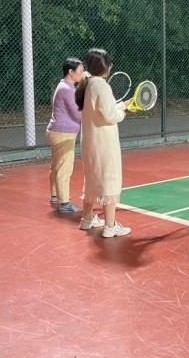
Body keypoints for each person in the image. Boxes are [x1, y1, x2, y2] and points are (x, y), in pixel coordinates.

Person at [76, 48, 133, 238]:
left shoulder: (88, 83)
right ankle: (110, 226)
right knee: (110, 179)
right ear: (104, 66)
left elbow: (101, 110)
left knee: (92, 178)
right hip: (104, 142)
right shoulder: (102, 86)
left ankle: (87, 219)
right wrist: (123, 112)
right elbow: (110, 115)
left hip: (90, 142)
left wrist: (123, 105)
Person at [47, 58, 84, 213]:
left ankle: (55, 196)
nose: (82, 74)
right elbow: (77, 114)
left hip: (57, 132)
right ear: (70, 72)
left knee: (56, 165)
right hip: (63, 134)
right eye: (80, 71)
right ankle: (64, 203)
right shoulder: (67, 89)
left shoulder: (64, 86)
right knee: (65, 167)